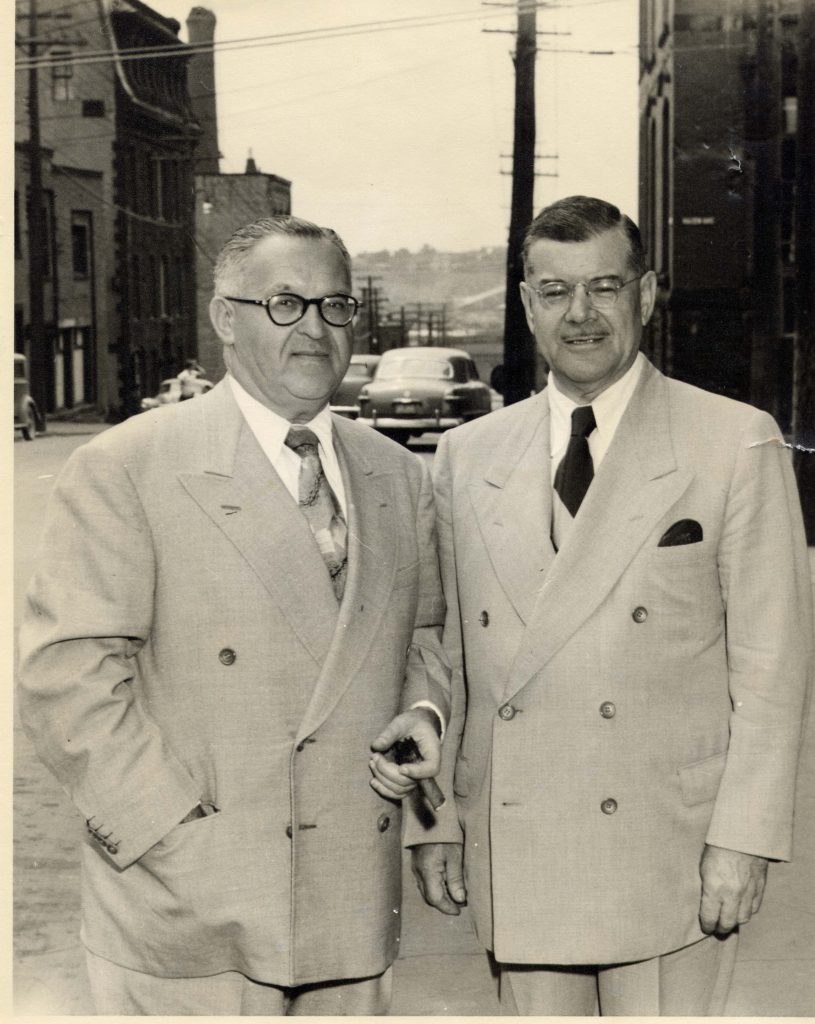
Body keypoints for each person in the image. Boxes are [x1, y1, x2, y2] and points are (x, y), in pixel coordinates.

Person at [19, 215, 450, 1016]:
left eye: (335, 305)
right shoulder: (127, 465)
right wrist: (172, 835)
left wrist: (423, 712)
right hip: (187, 912)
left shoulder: (394, 474)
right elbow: (65, 682)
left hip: (350, 907)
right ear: (225, 317)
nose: (315, 328)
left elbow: (423, 640)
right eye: (284, 303)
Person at [408, 195, 813, 1016]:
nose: (580, 315)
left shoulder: (733, 440)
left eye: (603, 286)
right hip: (520, 844)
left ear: (646, 294)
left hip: (668, 851)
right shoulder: (465, 455)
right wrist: (436, 820)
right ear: (526, 304)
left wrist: (743, 838)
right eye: (555, 291)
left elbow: (771, 672)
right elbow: (439, 656)